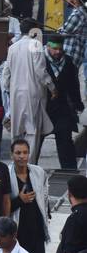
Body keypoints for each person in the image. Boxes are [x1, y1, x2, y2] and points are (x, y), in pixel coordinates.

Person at [4, 19, 52, 151]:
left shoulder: (13, 47)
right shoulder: (35, 45)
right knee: (32, 131)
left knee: (16, 131)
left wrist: (8, 89)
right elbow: (40, 71)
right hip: (33, 94)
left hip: (15, 94)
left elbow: (6, 73)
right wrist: (52, 87)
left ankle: (16, 161)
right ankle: (28, 164)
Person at [44, 37, 84, 170]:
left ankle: (69, 171)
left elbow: (74, 85)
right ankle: (30, 169)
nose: (57, 52)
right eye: (54, 49)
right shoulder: (40, 60)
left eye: (60, 49)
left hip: (62, 108)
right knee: (36, 141)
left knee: (65, 141)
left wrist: (77, 103)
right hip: (43, 108)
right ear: (48, 47)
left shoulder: (68, 62)